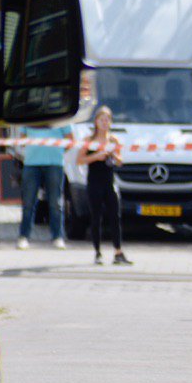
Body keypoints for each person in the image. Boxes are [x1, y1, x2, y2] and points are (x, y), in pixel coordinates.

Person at [76, 106, 132, 266]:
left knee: (115, 216)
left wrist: (114, 155)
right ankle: (97, 252)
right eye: (102, 119)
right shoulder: (89, 140)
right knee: (96, 217)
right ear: (96, 122)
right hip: (94, 182)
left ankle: (118, 252)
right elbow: (79, 160)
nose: (104, 123)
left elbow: (120, 162)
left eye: (107, 120)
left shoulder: (114, 140)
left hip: (109, 182)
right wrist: (95, 156)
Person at [16, 123, 73, 250]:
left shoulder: (61, 115)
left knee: (55, 203)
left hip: (54, 164)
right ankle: (24, 236)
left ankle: (57, 237)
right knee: (28, 203)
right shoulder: (29, 115)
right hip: (31, 163)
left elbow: (70, 140)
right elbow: (22, 140)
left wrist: (56, 151)